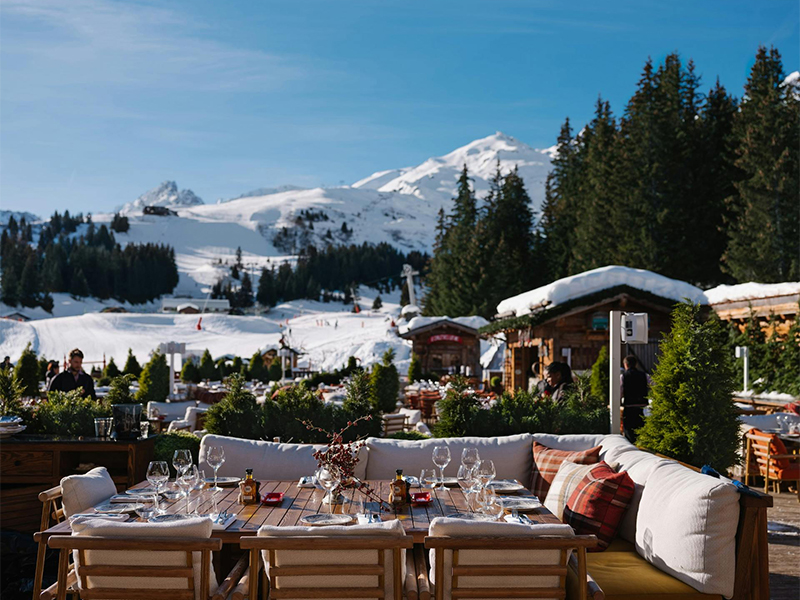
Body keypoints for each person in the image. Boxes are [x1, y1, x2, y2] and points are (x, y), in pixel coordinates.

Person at [621, 355, 648, 443]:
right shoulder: (644, 375)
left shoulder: (623, 376)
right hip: (641, 407)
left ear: (625, 365)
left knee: (629, 431)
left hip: (629, 406)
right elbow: (654, 385)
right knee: (640, 429)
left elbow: (620, 391)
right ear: (636, 364)